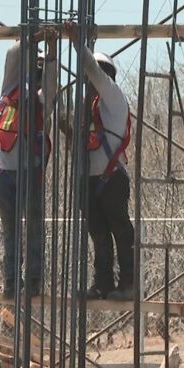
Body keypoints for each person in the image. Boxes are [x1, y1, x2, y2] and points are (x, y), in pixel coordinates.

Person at [63, 20, 134, 301]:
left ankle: (127, 284)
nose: (88, 83)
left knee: (120, 231)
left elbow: (92, 68)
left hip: (111, 179)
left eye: (92, 78)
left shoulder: (113, 96)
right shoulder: (91, 107)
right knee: (99, 235)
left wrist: (77, 42)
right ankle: (103, 284)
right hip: (91, 180)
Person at [0, 30, 59, 299]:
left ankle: (31, 282)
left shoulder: (43, 101)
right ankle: (11, 281)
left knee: (31, 229)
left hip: (26, 175)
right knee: (13, 232)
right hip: (5, 176)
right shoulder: (9, 89)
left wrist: (51, 46)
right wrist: (35, 37)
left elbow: (51, 85)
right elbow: (12, 55)